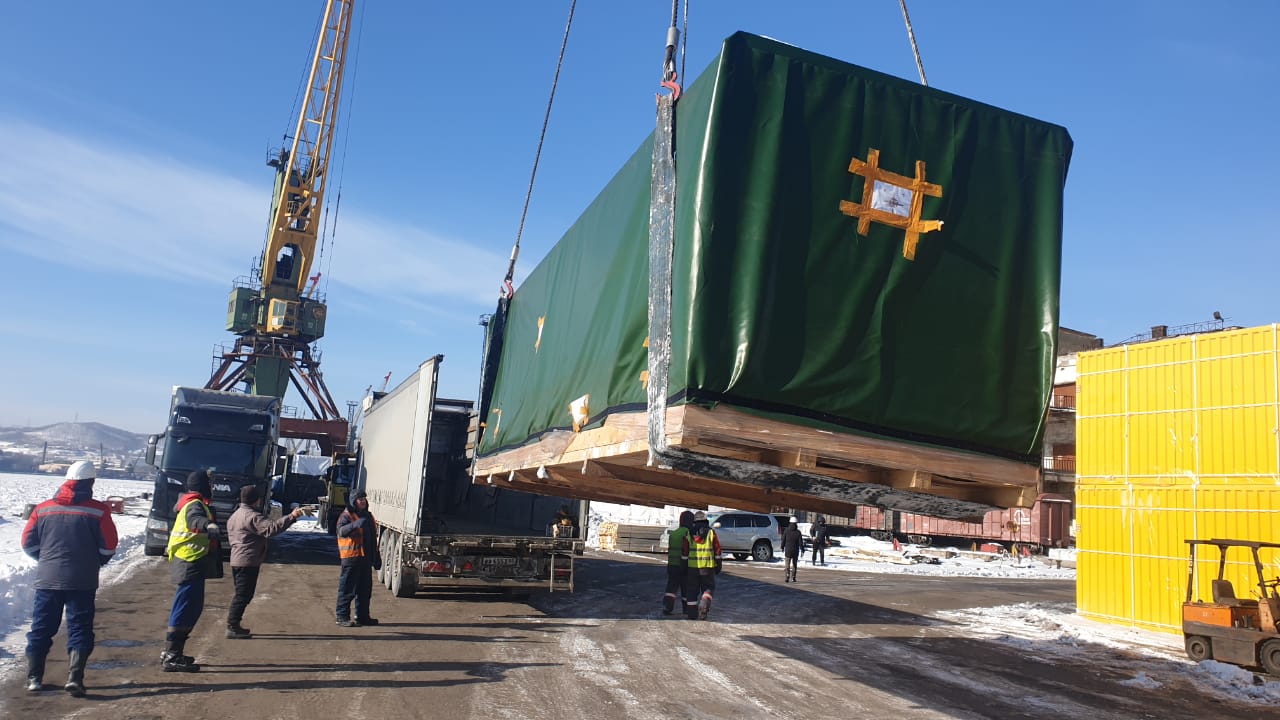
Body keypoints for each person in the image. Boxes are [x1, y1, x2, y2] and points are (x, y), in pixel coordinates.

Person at [21, 460, 118, 696]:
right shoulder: (98, 511)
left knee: (41, 628)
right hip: (82, 581)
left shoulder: (42, 509)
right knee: (80, 628)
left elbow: (27, 542)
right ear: (91, 482)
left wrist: (46, 559)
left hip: (48, 579)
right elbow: (109, 545)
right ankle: (75, 678)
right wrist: (96, 561)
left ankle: (34, 678)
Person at [225, 485, 306, 638]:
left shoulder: (236, 514)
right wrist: (292, 516)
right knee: (243, 595)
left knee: (242, 594)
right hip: (247, 561)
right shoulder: (252, 516)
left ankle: (234, 625)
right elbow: (271, 528)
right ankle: (232, 625)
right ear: (256, 500)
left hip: (237, 559)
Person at [162, 469, 221, 672]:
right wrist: (208, 525)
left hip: (192, 562)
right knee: (185, 608)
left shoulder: (194, 502)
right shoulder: (194, 505)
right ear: (202, 486)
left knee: (191, 608)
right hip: (189, 561)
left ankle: (173, 651)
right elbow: (194, 520)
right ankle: (172, 654)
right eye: (209, 484)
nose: (212, 488)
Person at [335, 490, 382, 627]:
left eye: (364, 499)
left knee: (364, 591)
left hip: (365, 560)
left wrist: (376, 556)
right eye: (360, 499)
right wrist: (354, 525)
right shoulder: (346, 516)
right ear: (353, 501)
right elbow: (341, 531)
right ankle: (342, 616)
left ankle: (362, 617)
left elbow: (372, 538)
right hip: (351, 559)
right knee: (347, 590)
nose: (363, 501)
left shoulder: (368, 516)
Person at [680, 511, 722, 620]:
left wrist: (683, 566)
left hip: (692, 568)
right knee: (708, 588)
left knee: (691, 590)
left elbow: (684, 551)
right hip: (707, 568)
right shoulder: (711, 533)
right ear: (705, 520)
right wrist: (718, 565)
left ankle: (691, 614)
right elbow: (717, 550)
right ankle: (703, 608)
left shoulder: (689, 533)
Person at [662, 510, 695, 615]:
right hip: (684, 565)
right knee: (686, 588)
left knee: (671, 588)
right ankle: (686, 609)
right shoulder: (688, 533)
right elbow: (689, 549)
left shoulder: (674, 533)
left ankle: (667, 606)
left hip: (672, 565)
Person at [781, 517, 804, 582]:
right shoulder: (798, 532)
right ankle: (793, 577)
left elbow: (783, 540)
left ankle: (787, 576)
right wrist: (802, 550)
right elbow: (800, 542)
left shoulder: (786, 531)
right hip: (795, 551)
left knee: (787, 564)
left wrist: (782, 547)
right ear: (796, 523)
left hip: (788, 550)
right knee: (794, 564)